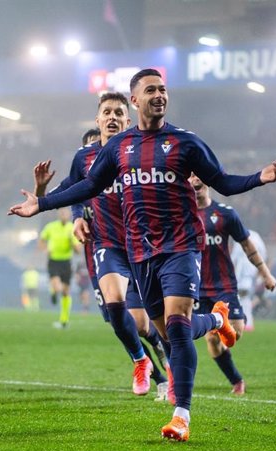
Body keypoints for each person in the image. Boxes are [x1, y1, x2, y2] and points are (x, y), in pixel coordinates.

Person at [10, 68, 276, 441]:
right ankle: (215, 320)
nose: (159, 94)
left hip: (180, 246)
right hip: (140, 253)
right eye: (151, 90)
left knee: (176, 327)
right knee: (167, 332)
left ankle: (181, 416)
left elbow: (223, 181)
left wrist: (261, 177)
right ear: (135, 100)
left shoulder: (186, 142)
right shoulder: (118, 148)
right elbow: (89, 186)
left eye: (163, 89)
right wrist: (42, 204)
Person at [33, 95, 167, 398]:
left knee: (145, 325)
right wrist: (44, 195)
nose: (111, 118)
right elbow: (73, 192)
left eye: (118, 112)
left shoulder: (142, 153)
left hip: (143, 246)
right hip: (105, 247)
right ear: (97, 120)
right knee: (116, 310)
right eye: (106, 112)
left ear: (127, 120)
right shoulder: (85, 159)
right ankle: (143, 363)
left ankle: (162, 360)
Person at [190, 173, 276, 396]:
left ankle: (219, 323)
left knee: (235, 333)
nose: (194, 180)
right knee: (212, 340)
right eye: (188, 176)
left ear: (206, 180)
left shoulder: (225, 214)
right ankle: (236, 381)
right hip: (196, 288)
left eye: (198, 175)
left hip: (224, 286)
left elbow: (247, 245)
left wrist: (266, 274)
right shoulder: (181, 214)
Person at [39, 207, 81, 329]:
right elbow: (42, 240)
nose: (63, 214)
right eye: (61, 212)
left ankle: (64, 320)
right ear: (58, 214)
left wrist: (72, 242)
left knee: (65, 292)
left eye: (65, 212)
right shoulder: (51, 227)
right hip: (54, 261)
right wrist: (45, 249)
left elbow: (78, 251)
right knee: (57, 287)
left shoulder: (72, 228)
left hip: (67, 262)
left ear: (69, 215)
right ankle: (53, 291)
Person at [230, 228, 269, 331]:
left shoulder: (239, 238)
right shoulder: (257, 237)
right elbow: (264, 255)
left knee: (243, 297)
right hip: (250, 273)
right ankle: (246, 322)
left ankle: (246, 323)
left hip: (243, 274)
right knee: (244, 297)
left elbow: (233, 258)